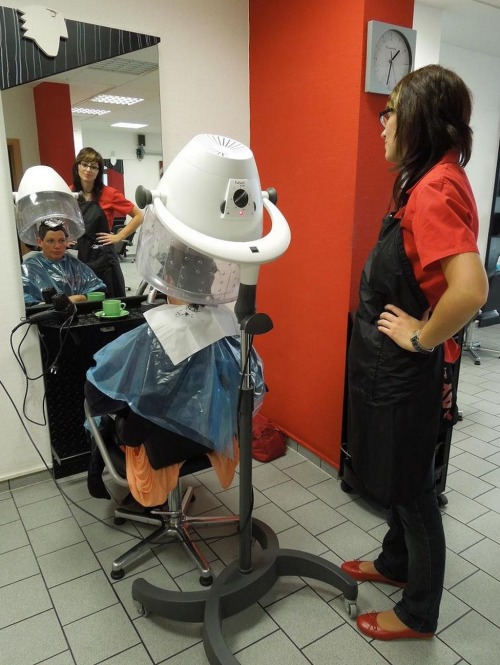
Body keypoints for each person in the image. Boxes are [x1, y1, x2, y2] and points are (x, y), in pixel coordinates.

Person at [342, 65, 488, 641]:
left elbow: (471, 289)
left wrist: (421, 335)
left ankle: (418, 613)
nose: (382, 126)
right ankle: (395, 563)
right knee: (403, 478)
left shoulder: (432, 189)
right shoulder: (431, 177)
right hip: (393, 369)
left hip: (405, 368)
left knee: (415, 492)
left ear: (421, 120)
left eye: (392, 112)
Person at [84, 244, 264, 506]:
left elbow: (97, 394)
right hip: (211, 437)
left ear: (167, 280)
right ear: (209, 281)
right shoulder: (229, 323)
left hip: (160, 445)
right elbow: (252, 384)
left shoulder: (154, 332)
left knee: (98, 406)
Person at [22, 219, 107, 305]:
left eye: (61, 240)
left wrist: (78, 298)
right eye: (50, 241)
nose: (57, 246)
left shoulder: (74, 264)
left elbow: (98, 291)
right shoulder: (30, 268)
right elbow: (22, 299)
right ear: (40, 242)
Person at [71, 146, 144, 245]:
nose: (88, 170)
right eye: (84, 165)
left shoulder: (110, 193)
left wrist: (119, 236)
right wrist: (64, 239)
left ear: (98, 171)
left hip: (102, 253)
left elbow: (139, 216)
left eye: (93, 167)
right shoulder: (69, 192)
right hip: (77, 251)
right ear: (77, 166)